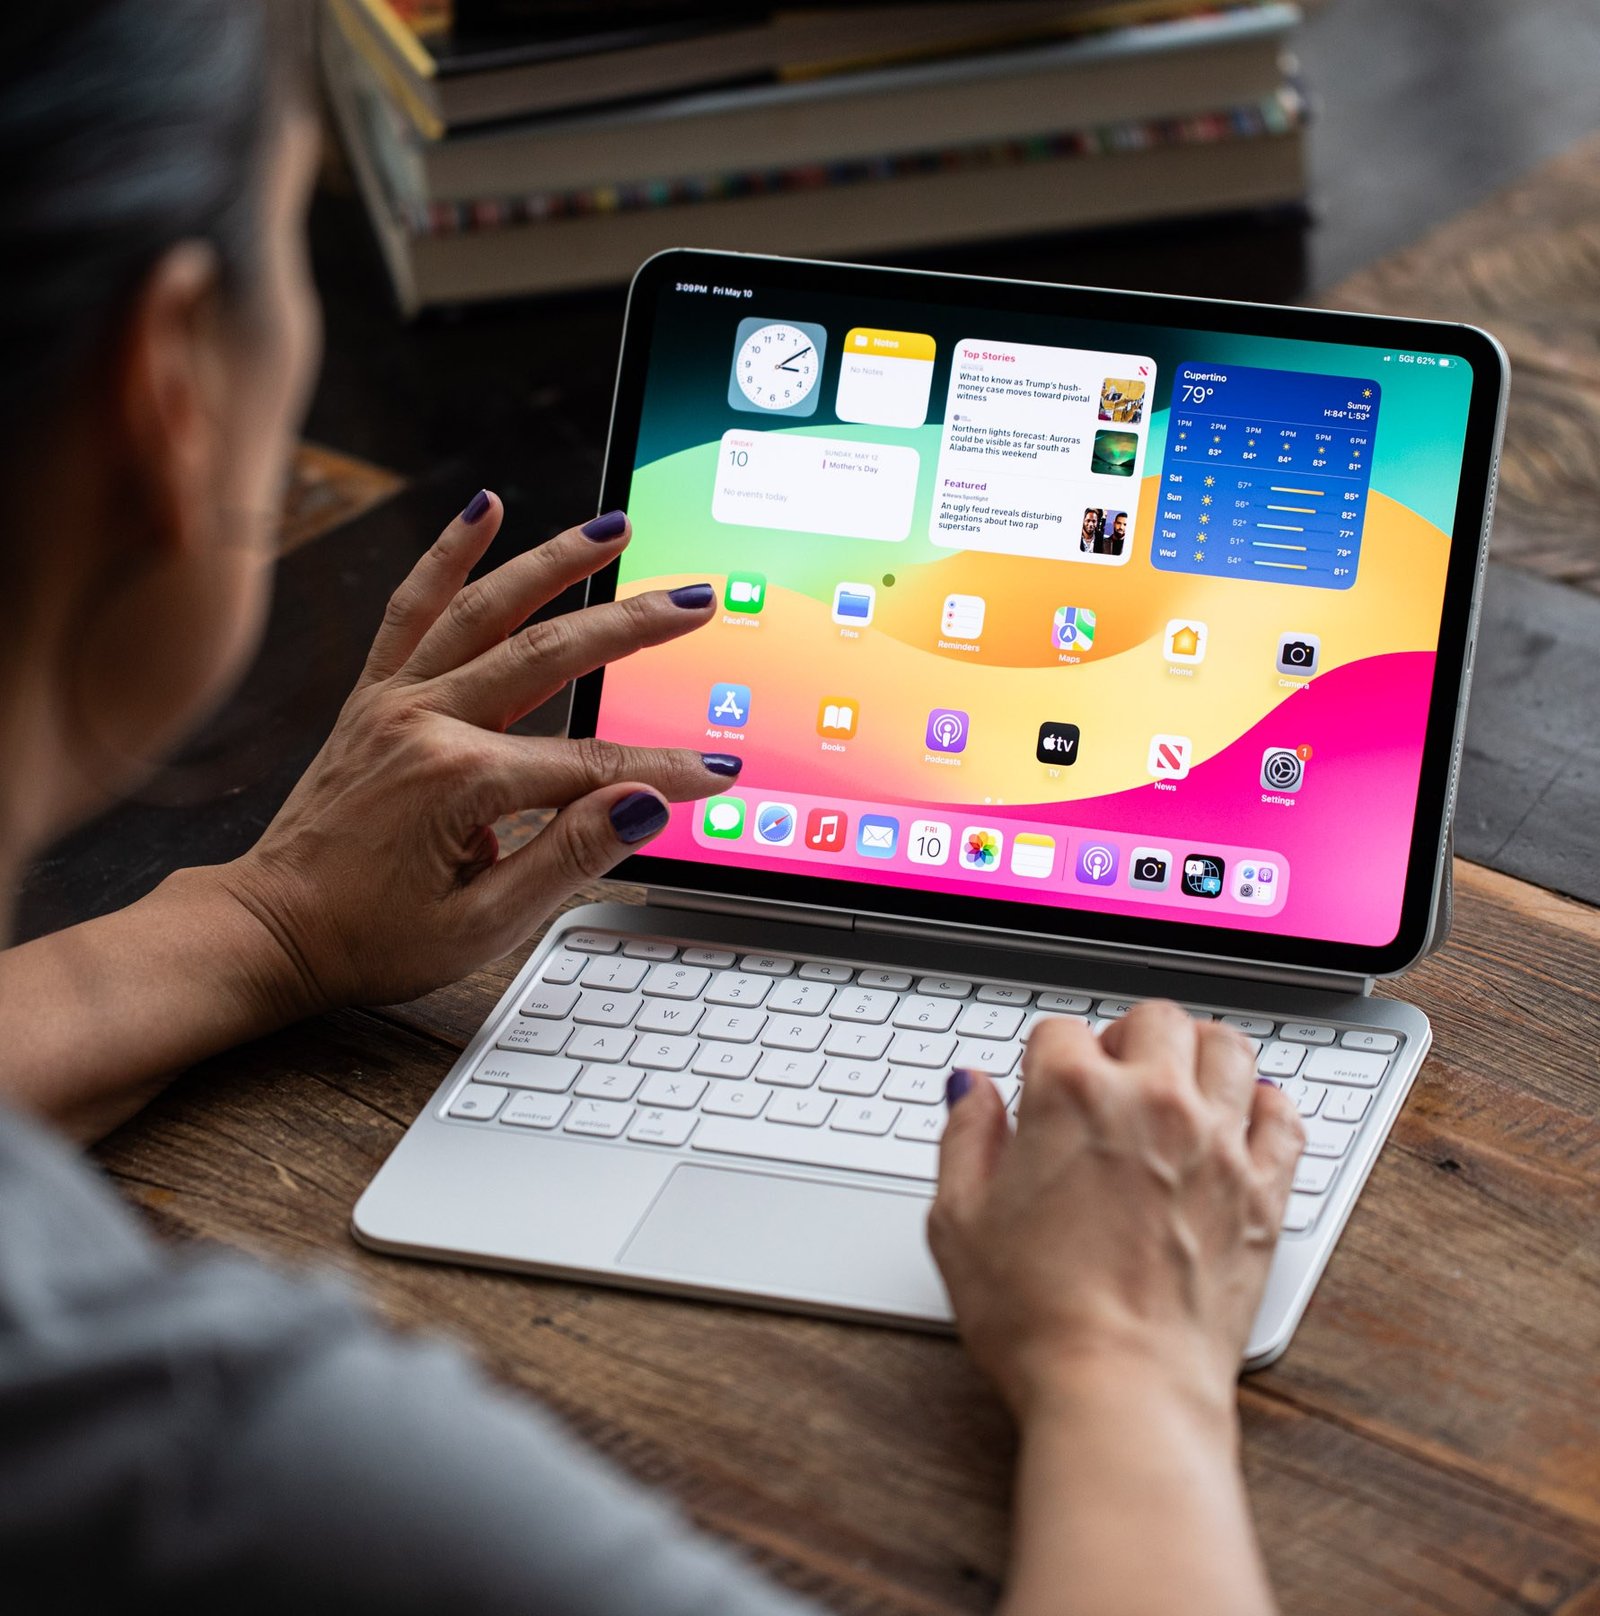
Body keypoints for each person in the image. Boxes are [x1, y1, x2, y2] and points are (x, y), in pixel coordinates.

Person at [0, 4, 1305, 1612]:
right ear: (175, 381)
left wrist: (259, 926)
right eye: (295, 236)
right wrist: (1127, 1366)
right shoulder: (219, 1465)